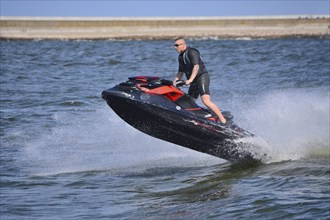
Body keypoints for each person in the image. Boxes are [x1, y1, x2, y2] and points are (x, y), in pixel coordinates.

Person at [173, 37, 227, 125]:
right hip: (193, 81)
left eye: (177, 45)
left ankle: (223, 120)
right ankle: (196, 119)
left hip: (201, 77)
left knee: (206, 101)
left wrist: (190, 80)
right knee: (189, 102)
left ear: (183, 44)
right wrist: (174, 82)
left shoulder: (192, 52)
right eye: (174, 46)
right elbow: (180, 72)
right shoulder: (180, 57)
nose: (175, 47)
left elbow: (196, 66)